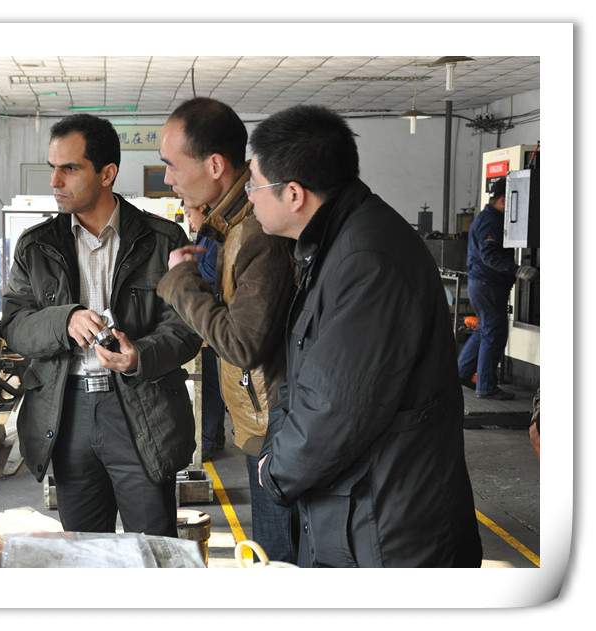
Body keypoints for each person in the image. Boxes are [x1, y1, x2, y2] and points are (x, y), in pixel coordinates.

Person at [251, 104, 483, 567]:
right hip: (364, 515)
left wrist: (275, 471)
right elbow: (302, 379)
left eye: (252, 184)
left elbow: (335, 409)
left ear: (293, 194)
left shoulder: (366, 261)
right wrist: (273, 452)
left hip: (390, 535)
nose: (249, 198)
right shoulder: (335, 244)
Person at [0, 114, 202, 537]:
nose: (55, 181)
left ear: (107, 173)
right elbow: (15, 325)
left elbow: (186, 328)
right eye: (52, 167)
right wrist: (64, 320)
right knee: (84, 550)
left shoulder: (162, 239)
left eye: (69, 168)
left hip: (140, 408)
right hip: (66, 411)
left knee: (153, 547)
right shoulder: (35, 246)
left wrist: (139, 355)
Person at [157, 97, 299, 563]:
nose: (168, 179)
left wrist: (180, 283)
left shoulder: (256, 230)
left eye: (172, 165)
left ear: (215, 165)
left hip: (275, 428)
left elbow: (242, 342)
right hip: (263, 421)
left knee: (278, 560)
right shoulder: (229, 224)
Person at [457, 177, 538, 399]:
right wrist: (517, 270)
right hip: (487, 285)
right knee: (494, 335)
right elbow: (489, 255)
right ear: (504, 200)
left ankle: (462, 374)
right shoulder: (491, 221)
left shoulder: (490, 219)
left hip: (484, 284)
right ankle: (486, 387)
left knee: (485, 331)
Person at [182, 200, 227, 460]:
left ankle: (208, 440)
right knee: (210, 379)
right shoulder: (204, 235)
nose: (189, 221)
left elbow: (210, 275)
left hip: (212, 317)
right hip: (206, 316)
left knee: (209, 380)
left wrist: (185, 270)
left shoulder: (214, 236)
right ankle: (216, 435)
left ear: (203, 208)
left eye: (190, 214)